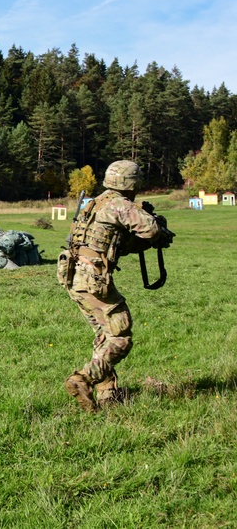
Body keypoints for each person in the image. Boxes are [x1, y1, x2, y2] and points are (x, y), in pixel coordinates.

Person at [61, 160, 173, 412]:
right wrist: (159, 228)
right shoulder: (119, 205)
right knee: (120, 337)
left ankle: (107, 393)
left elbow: (114, 243)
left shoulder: (94, 203)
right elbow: (151, 230)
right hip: (93, 279)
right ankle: (83, 379)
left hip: (73, 277)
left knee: (104, 334)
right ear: (132, 183)